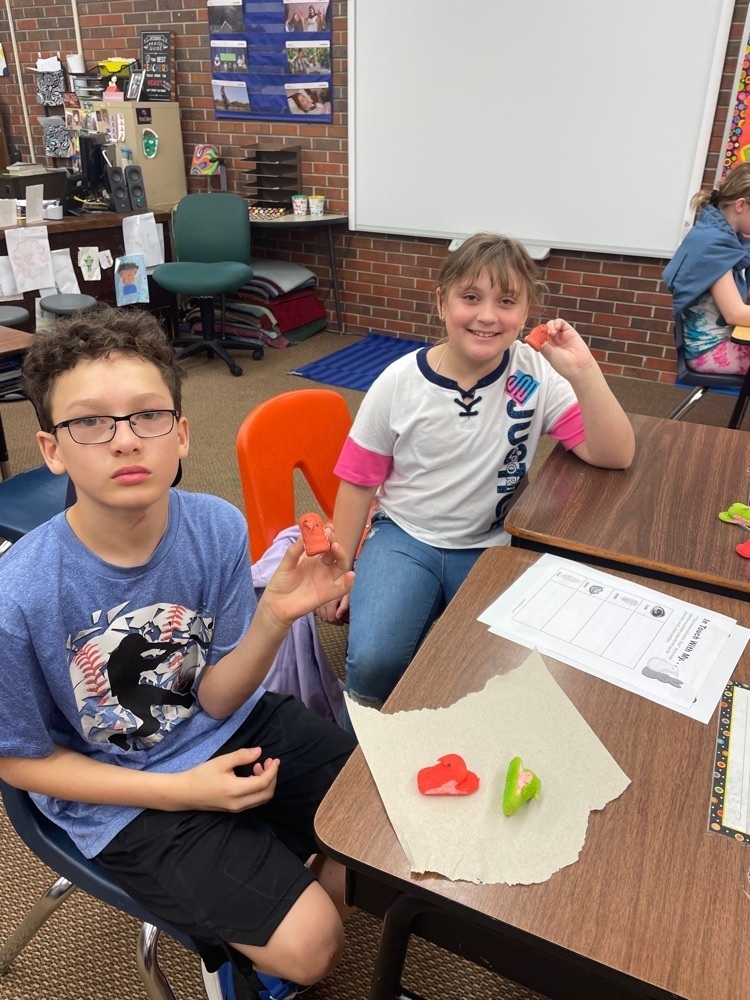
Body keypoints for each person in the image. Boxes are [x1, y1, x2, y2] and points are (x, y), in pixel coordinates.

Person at [0, 306, 357, 1000]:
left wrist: (273, 619)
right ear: (51, 449)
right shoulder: (18, 595)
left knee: (379, 820)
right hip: (123, 789)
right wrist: (180, 791)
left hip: (226, 726)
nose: (125, 441)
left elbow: (216, 695)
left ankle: (278, 894)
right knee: (313, 946)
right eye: (90, 423)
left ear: (183, 433)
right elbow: (18, 760)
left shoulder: (216, 527)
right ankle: (272, 929)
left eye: (147, 416)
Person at [316, 233, 635, 725]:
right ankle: (357, 747)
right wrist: (339, 572)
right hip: (405, 535)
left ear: (525, 313)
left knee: (500, 669)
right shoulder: (398, 383)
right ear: (441, 302)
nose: (487, 315)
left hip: (494, 542)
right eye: (471, 297)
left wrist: (584, 371)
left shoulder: (533, 373)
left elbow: (615, 454)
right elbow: (358, 482)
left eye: (506, 302)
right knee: (375, 661)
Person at [662, 162, 750, 375]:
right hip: (710, 350)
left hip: (716, 342)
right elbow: (735, 314)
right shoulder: (715, 246)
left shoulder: (720, 236)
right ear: (740, 205)